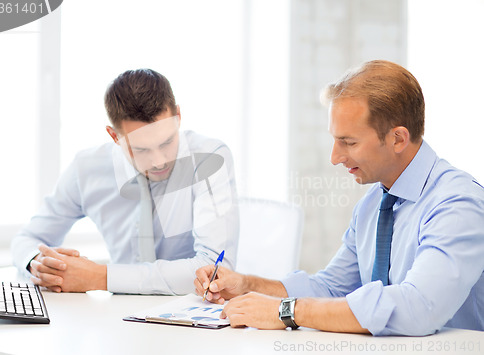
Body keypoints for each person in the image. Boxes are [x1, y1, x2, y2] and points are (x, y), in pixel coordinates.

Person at [195, 60, 484, 336]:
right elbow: (332, 288)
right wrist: (247, 285)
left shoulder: (457, 204)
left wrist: (285, 312)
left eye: (349, 142)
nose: (335, 157)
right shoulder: (373, 203)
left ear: (398, 138)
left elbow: (418, 308)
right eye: (335, 140)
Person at [12, 68, 239, 295]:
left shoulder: (210, 159)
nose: (159, 161)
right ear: (114, 136)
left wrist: (100, 277)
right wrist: (38, 263)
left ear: (178, 117)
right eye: (141, 149)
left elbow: (216, 271)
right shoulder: (87, 169)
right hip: (117, 317)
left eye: (167, 142)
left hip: (195, 318)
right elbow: (28, 239)